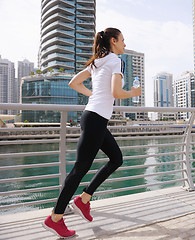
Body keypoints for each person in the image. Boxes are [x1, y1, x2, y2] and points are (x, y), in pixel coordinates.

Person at [42, 27, 141, 238]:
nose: (125, 44)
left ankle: (83, 199)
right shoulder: (114, 60)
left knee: (116, 158)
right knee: (80, 169)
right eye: (123, 40)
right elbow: (116, 92)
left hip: (95, 118)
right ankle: (55, 218)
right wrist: (133, 93)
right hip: (95, 119)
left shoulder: (98, 61)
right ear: (113, 41)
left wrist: (92, 95)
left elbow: (73, 83)